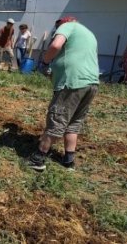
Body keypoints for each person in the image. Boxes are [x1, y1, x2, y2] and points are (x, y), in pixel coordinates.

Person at [28, 16, 99, 171]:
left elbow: (55, 45)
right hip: (91, 84)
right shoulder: (89, 34)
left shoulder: (67, 26)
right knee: (73, 123)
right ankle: (68, 161)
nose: (56, 31)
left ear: (62, 23)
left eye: (57, 28)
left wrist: (45, 61)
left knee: (57, 119)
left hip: (72, 83)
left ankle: (38, 159)